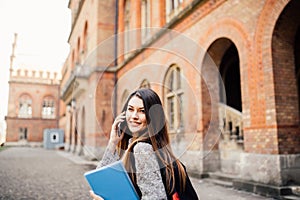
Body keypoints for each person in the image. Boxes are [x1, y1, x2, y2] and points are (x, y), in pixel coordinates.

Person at [90, 88, 198, 200]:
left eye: (142, 111)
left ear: (153, 117)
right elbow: (100, 180)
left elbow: (155, 198)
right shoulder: (155, 148)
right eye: (130, 109)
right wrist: (113, 142)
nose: (134, 116)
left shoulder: (142, 149)